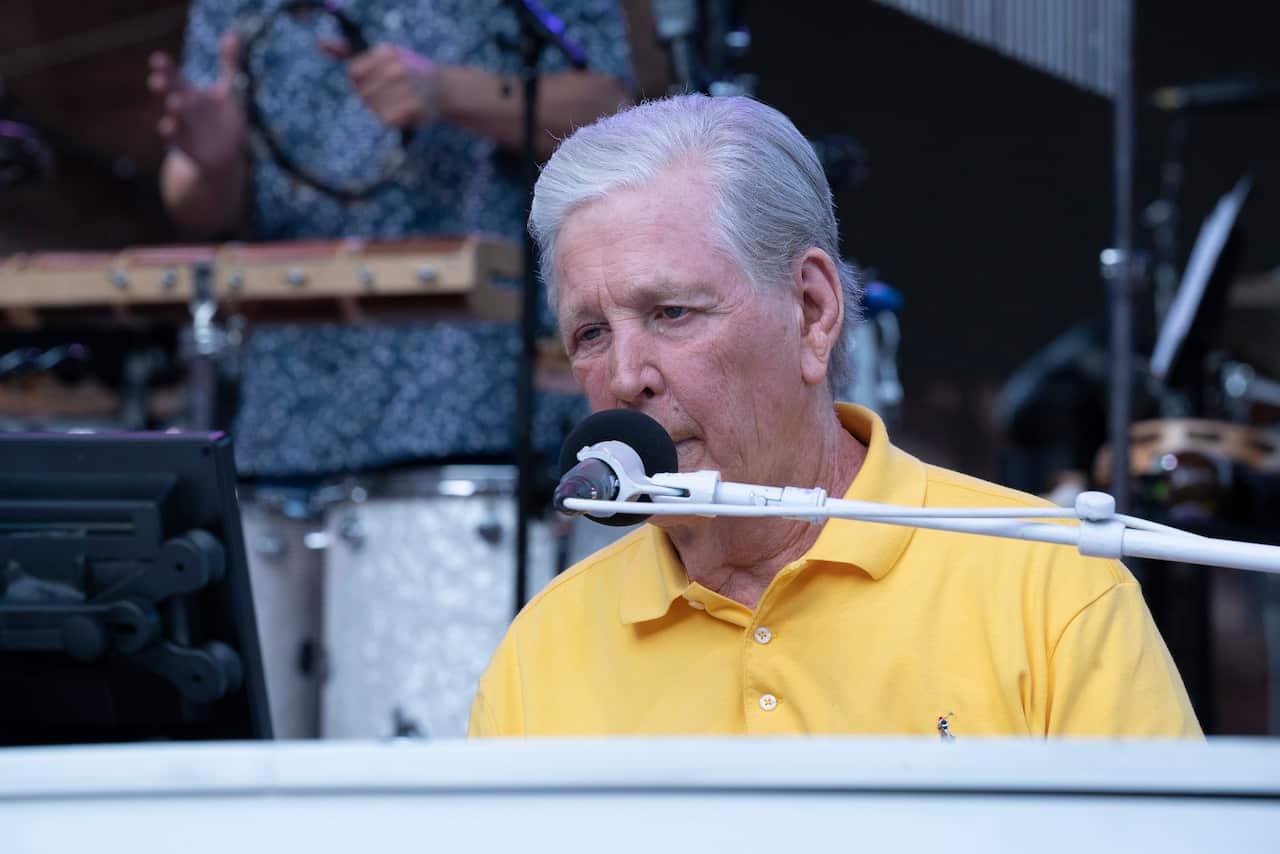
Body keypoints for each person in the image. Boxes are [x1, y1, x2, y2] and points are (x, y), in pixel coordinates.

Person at [468, 94, 1201, 738]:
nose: (627, 377)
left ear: (813, 313)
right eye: (591, 334)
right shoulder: (542, 652)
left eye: (671, 312)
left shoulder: (1049, 584)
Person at [146, 0, 633, 475]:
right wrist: (211, 163)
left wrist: (447, 90)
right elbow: (192, 202)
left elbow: (612, 112)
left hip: (474, 400)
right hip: (287, 411)